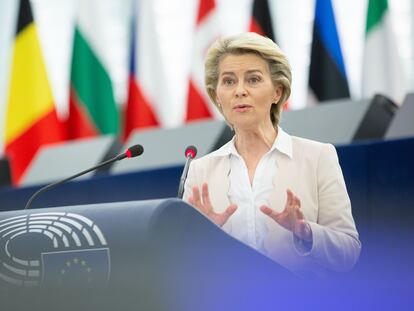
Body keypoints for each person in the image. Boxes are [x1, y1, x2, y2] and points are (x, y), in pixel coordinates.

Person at [183, 32, 361, 275]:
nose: (240, 91)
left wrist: (305, 232)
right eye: (228, 81)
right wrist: (203, 239)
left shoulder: (318, 157)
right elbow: (184, 265)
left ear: (277, 91)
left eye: (253, 80)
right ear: (217, 97)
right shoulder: (200, 171)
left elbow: (349, 252)